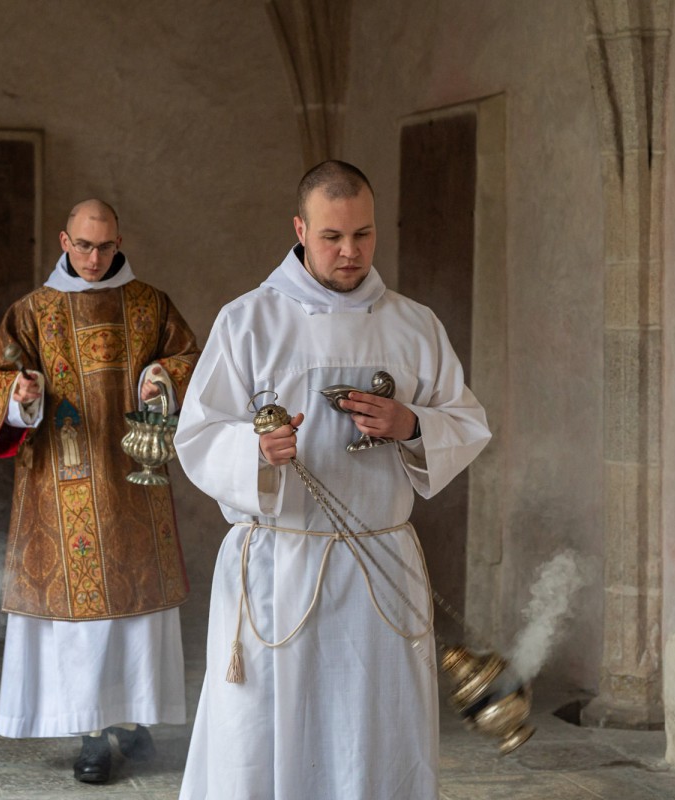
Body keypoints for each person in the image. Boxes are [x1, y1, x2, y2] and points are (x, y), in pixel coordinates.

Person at [173, 161, 492, 799]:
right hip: (278, 564)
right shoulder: (249, 321)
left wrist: (411, 424)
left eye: (363, 235)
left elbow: (466, 421)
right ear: (300, 230)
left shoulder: (413, 325)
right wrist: (257, 451)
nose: (350, 251)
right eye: (332, 237)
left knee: (373, 732)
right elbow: (198, 434)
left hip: (380, 565)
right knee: (267, 734)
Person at [0, 199, 200, 784]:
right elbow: (1, 380)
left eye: (104, 246)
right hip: (62, 480)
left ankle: (133, 716)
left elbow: (188, 359)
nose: (94, 258)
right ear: (64, 241)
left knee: (135, 616)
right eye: (83, 245)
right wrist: (20, 395)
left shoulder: (151, 304)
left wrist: (162, 379)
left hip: (135, 478)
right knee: (81, 621)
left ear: (119, 242)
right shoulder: (32, 311)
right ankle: (92, 733)